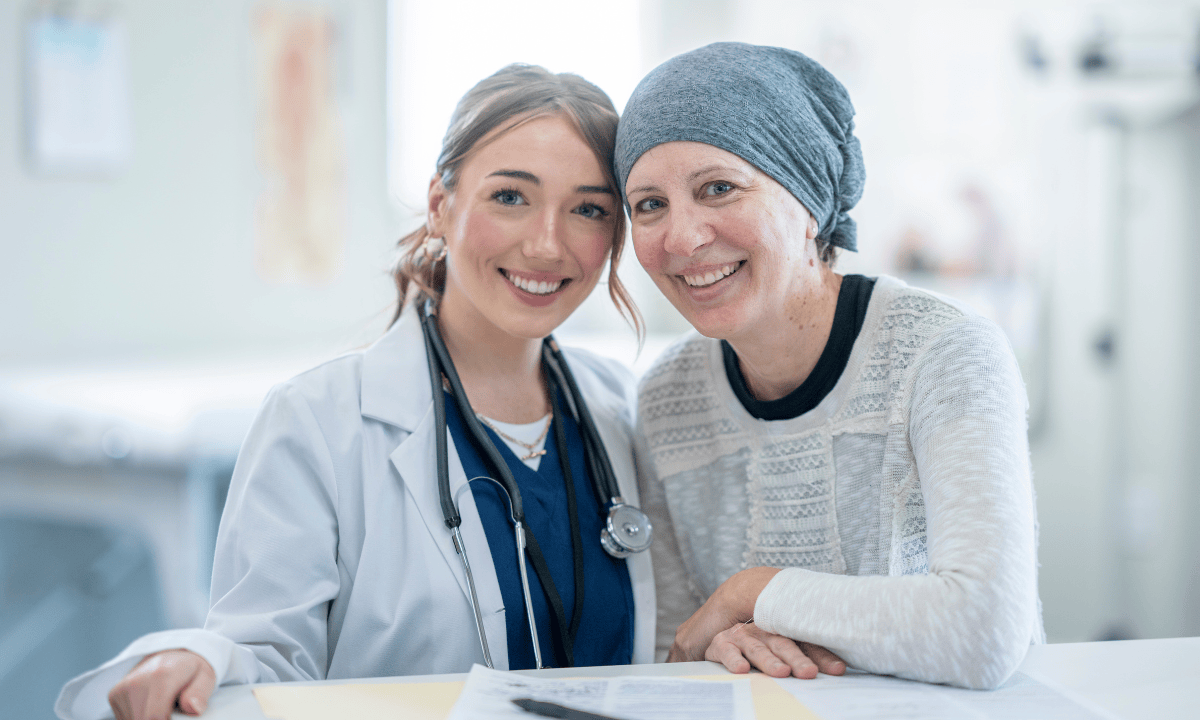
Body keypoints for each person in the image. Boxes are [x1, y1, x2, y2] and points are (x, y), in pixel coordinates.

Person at [57, 64, 655, 720]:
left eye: (589, 209)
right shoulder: (318, 421)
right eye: (510, 196)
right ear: (440, 206)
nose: (546, 244)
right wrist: (203, 663)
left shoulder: (626, 409)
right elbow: (268, 660)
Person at [616, 42, 1042, 691]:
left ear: (810, 201)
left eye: (719, 188)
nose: (682, 237)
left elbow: (984, 629)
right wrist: (723, 636)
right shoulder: (666, 400)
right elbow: (678, 648)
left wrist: (751, 593)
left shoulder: (945, 353)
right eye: (650, 204)